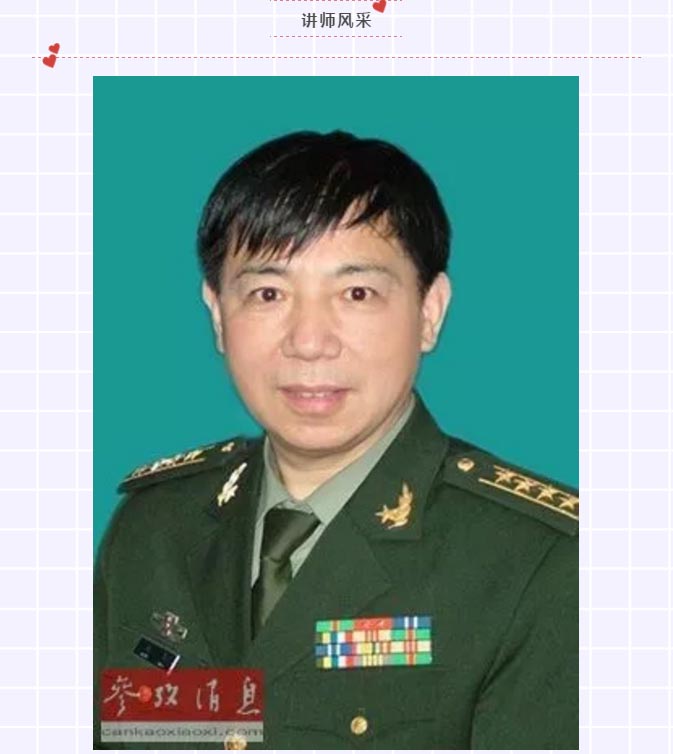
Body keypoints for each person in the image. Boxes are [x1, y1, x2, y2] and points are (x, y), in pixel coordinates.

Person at [94, 130, 578, 750]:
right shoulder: (154, 528)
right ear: (217, 314)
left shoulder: (540, 563)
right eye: (268, 293)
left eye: (356, 293)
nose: (309, 341)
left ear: (430, 311)